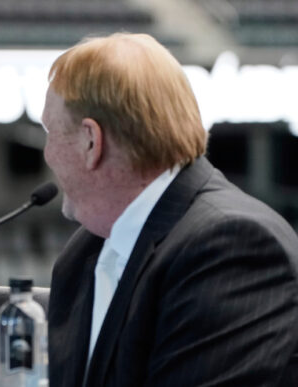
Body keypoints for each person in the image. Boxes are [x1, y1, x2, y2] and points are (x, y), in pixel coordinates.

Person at [42, 32, 298, 386]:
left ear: (91, 141)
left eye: (50, 132)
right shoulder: (82, 255)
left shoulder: (231, 245)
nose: (47, 153)